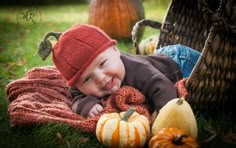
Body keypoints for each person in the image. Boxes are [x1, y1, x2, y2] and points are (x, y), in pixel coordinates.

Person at [39, 24, 200, 118]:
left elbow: (162, 87)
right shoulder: (78, 87)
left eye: (102, 64)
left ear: (115, 50)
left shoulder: (137, 69)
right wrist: (86, 105)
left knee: (210, 67)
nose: (101, 78)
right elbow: (77, 98)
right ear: (77, 84)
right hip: (162, 58)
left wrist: (162, 119)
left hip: (179, 62)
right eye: (87, 79)